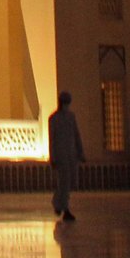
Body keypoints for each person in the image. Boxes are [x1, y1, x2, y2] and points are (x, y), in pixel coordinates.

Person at [47, 90, 84, 222]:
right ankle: (65, 208)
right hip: (61, 155)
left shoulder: (70, 117)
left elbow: (76, 134)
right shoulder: (54, 119)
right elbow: (52, 139)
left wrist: (80, 152)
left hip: (70, 154)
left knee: (68, 182)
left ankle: (58, 203)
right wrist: (53, 157)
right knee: (64, 182)